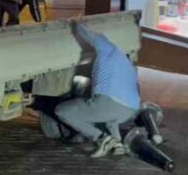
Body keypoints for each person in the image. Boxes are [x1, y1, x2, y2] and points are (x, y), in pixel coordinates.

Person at [55, 22, 141, 158]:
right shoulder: (126, 64)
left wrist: (76, 23)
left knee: (62, 111)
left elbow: (91, 36)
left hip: (110, 104)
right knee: (110, 118)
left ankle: (101, 138)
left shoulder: (108, 49)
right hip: (130, 111)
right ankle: (117, 143)